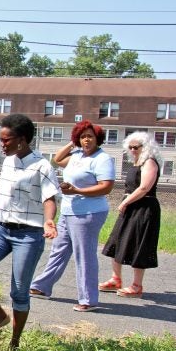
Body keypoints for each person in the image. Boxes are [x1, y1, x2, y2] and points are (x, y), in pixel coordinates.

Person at [0, 114, 59, 351]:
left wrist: (49, 221)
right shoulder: (8, 161)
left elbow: (49, 198)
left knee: (19, 291)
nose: (2, 144)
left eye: (6, 140)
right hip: (1, 228)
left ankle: (14, 344)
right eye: (1, 139)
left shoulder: (42, 166)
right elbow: (3, 195)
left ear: (23, 140)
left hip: (28, 234)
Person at [29, 121, 115, 312]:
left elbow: (106, 186)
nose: (86, 140)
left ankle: (88, 299)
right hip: (68, 211)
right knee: (58, 250)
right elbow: (58, 159)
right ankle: (42, 286)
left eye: (90, 136)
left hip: (88, 213)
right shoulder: (77, 155)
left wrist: (78, 190)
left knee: (84, 255)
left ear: (97, 139)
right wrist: (72, 143)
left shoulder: (102, 159)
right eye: (82, 136)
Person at [99, 131, 162, 298]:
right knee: (117, 241)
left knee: (139, 244)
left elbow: (144, 188)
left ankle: (136, 286)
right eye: (130, 147)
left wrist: (125, 202)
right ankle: (116, 279)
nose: (133, 150)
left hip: (144, 208)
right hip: (131, 208)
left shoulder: (149, 162)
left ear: (146, 147)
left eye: (136, 147)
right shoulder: (136, 162)